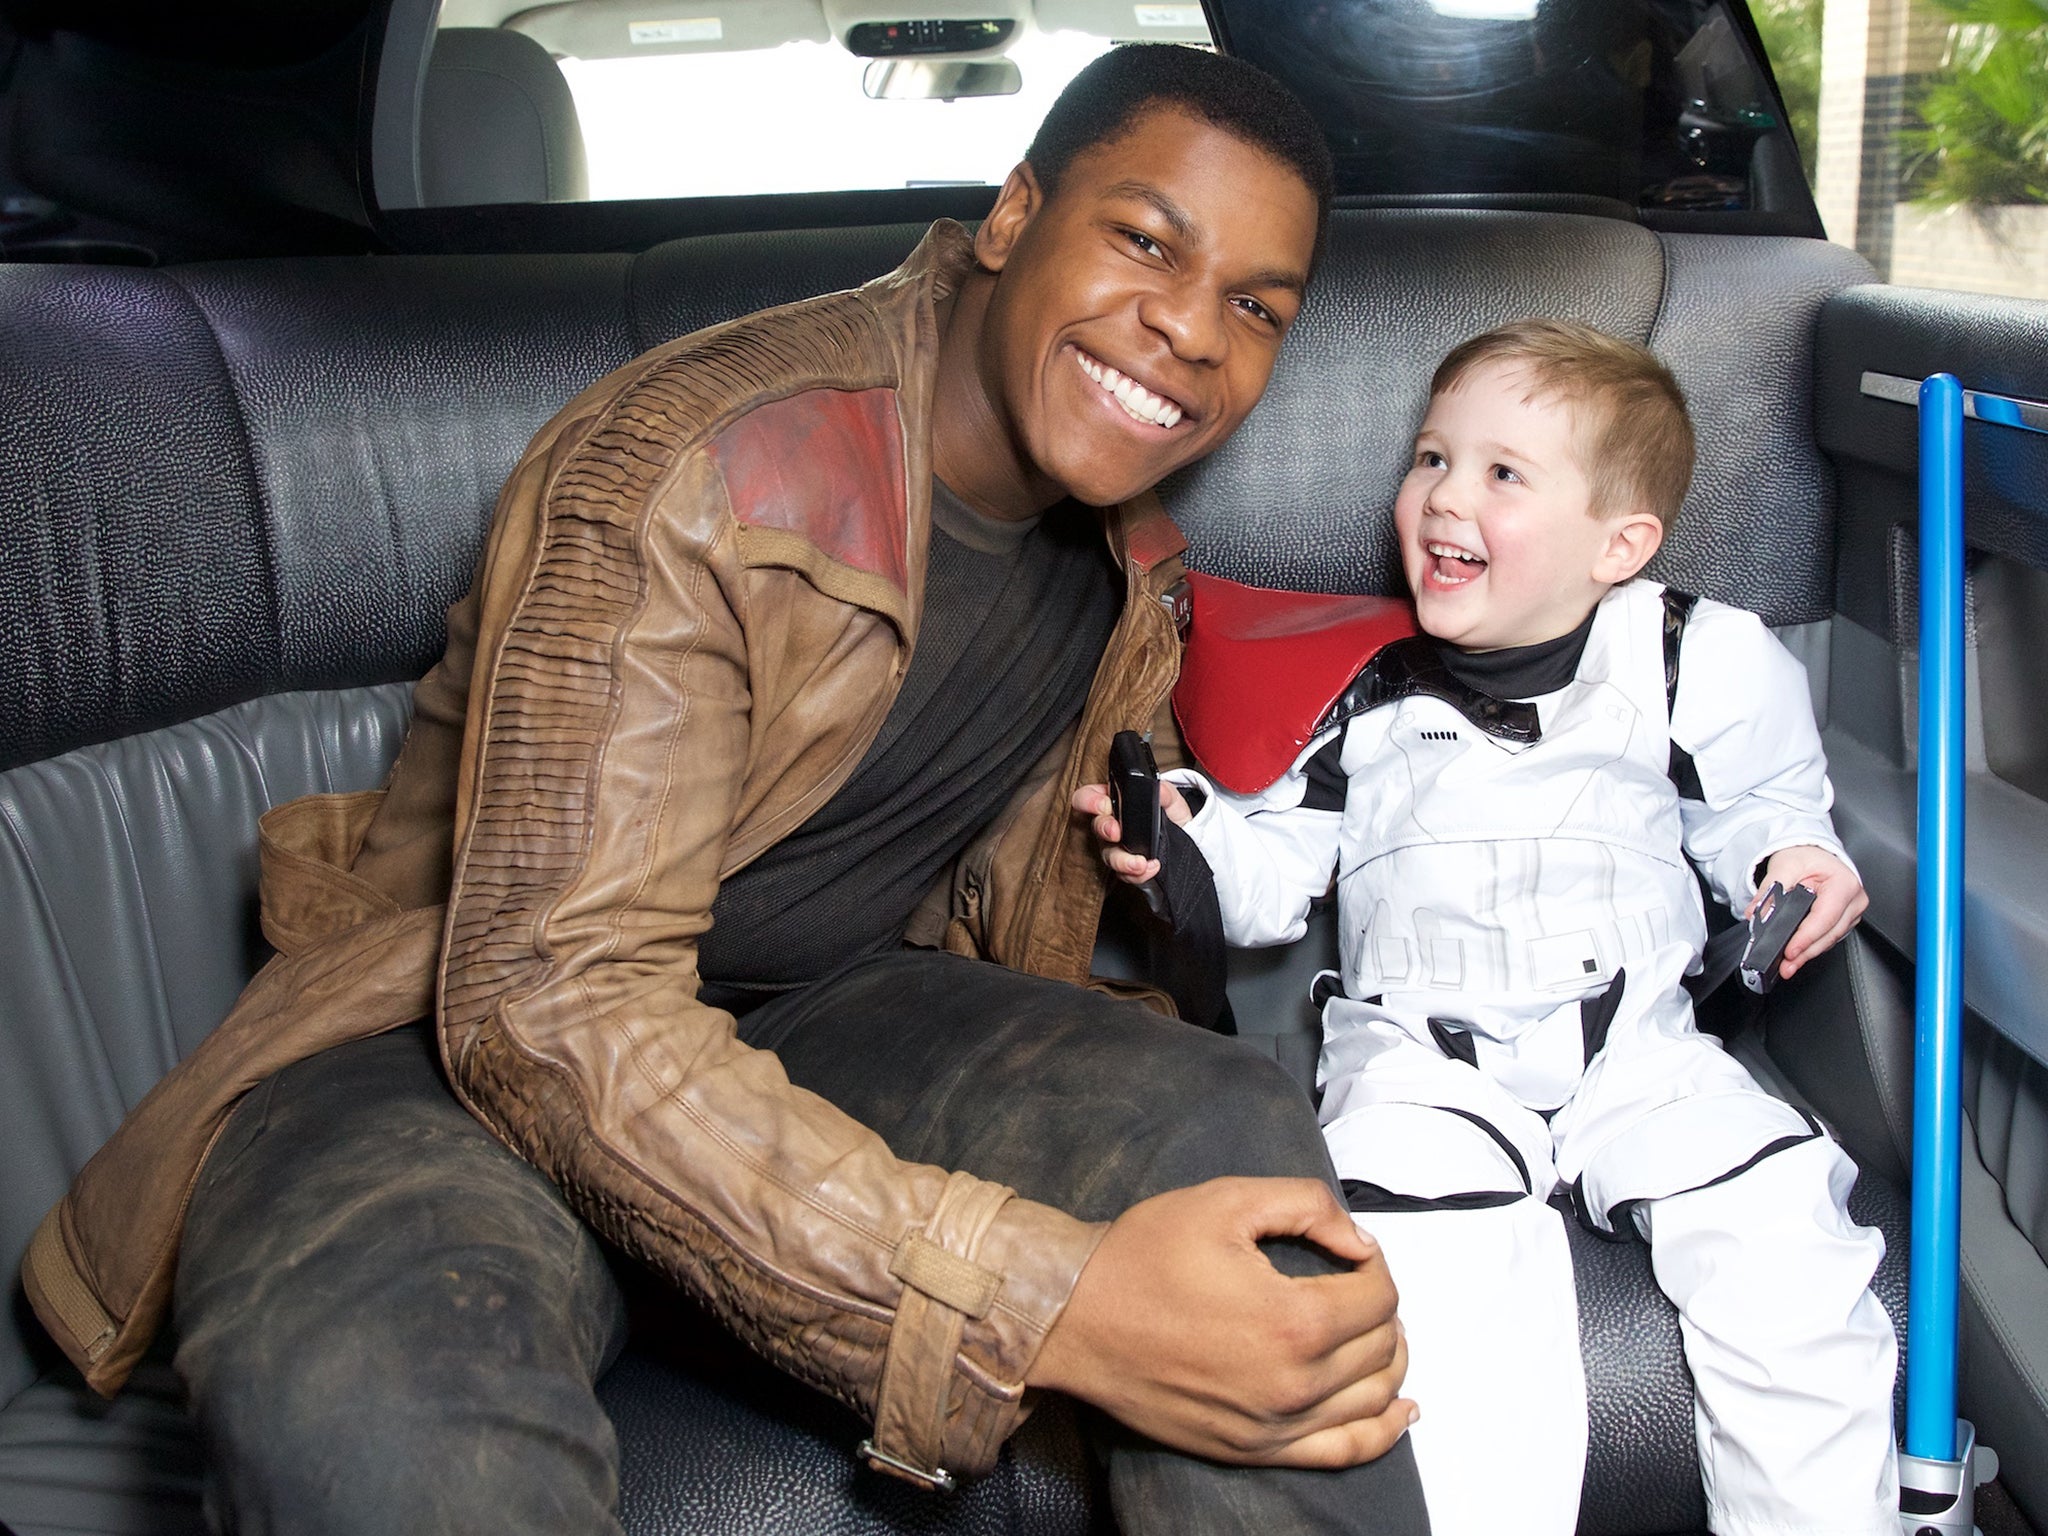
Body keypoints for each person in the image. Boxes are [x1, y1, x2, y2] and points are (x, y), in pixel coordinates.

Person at [23, 44, 1433, 1536]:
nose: (1188, 331)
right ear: (1014, 216)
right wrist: (1043, 1304)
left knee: (1228, 1155)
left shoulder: (1130, 562)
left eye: (1256, 306)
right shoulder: (692, 465)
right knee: (371, 1390)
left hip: (831, 1015)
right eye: (1146, 241)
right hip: (442, 1039)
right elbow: (552, 1010)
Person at [1081, 320, 1899, 1536]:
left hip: (1642, 1048)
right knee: (1437, 1303)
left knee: (1783, 1252)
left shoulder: (1688, 656)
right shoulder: (1361, 687)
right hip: (1422, 1055)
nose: (1441, 497)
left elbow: (1760, 810)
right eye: (1428, 458)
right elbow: (1271, 874)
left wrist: (1794, 861)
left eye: (1501, 474)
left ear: (1618, 546)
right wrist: (1182, 842)